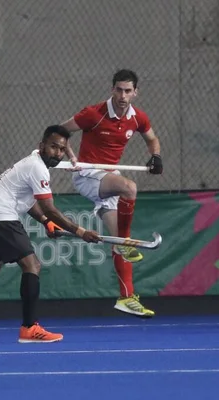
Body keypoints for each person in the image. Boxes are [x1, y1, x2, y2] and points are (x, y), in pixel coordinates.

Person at [0, 125, 101, 343]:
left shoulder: (31, 162)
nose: (57, 152)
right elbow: (49, 208)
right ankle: (29, 328)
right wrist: (81, 231)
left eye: (61, 149)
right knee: (32, 265)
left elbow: (29, 203)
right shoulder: (38, 168)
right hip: (0, 215)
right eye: (53, 146)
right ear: (42, 146)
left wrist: (46, 223)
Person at [60, 69, 163, 318]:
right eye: (119, 89)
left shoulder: (138, 118)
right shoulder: (93, 114)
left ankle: (126, 297)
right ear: (112, 89)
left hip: (109, 178)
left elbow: (152, 139)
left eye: (128, 91)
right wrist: (72, 157)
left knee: (117, 239)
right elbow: (58, 131)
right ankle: (125, 245)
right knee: (130, 187)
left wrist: (156, 156)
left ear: (135, 93)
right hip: (87, 175)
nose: (123, 95)